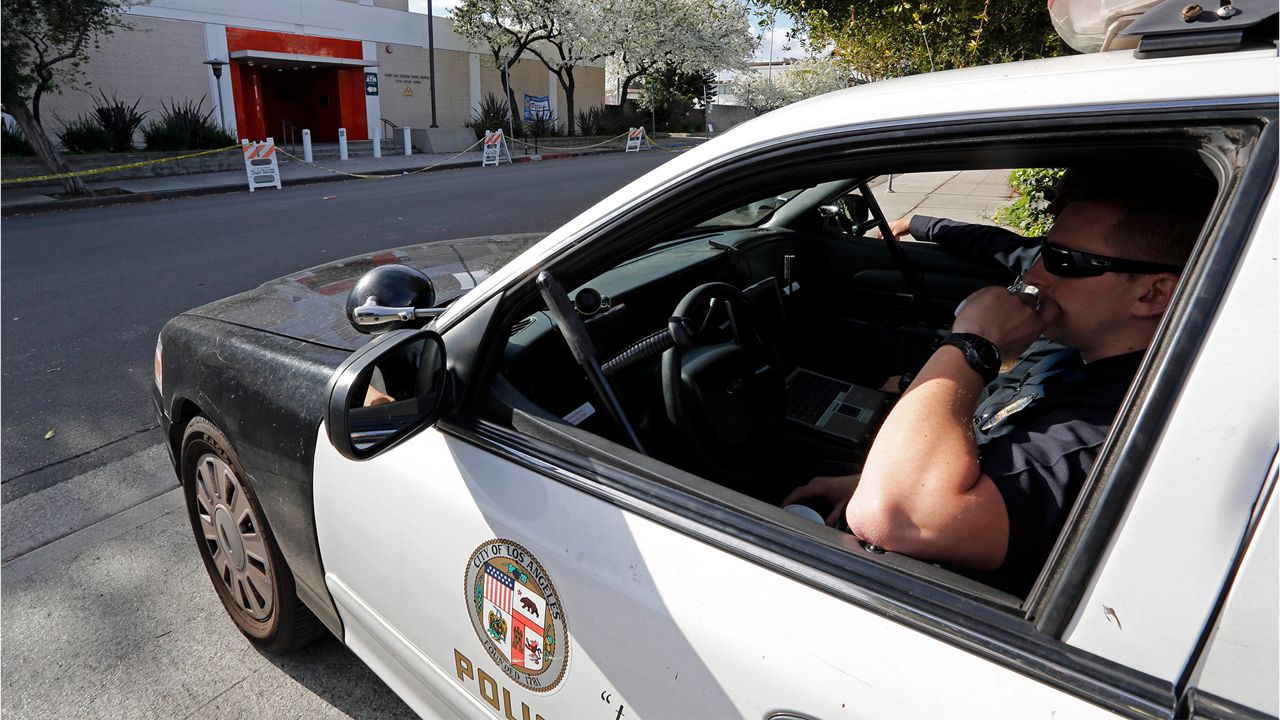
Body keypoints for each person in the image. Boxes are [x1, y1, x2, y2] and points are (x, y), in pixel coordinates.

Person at [784, 174, 1214, 594]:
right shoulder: (1080, 352)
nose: (1035, 275)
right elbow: (998, 245)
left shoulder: (1110, 426)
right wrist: (871, 477)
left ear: (1153, 295)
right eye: (1044, 251)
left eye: (1065, 261)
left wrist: (973, 345)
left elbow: (896, 518)